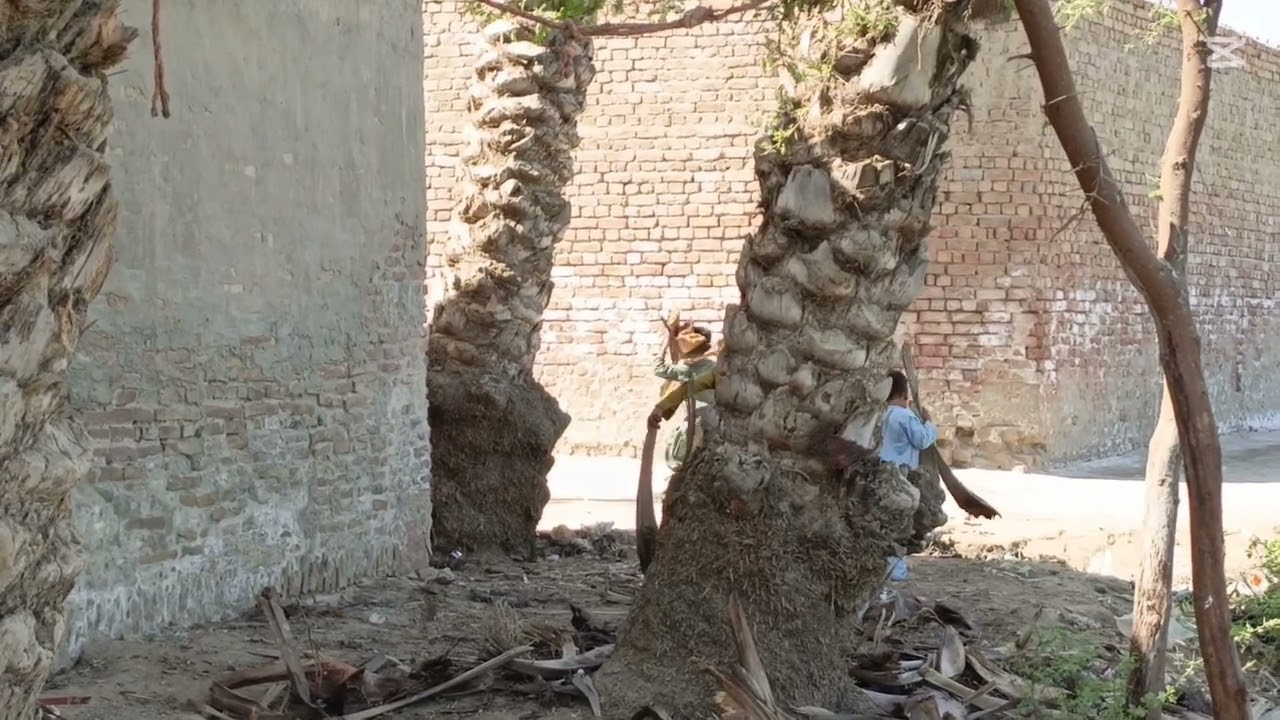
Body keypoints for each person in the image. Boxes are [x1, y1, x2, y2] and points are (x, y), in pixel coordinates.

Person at [879, 369, 939, 581]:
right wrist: (930, 424)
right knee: (899, 526)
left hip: (879, 474)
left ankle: (882, 567)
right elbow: (922, 440)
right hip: (901, 477)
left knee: (882, 524)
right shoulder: (904, 416)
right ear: (905, 395)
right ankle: (895, 570)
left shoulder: (881, 413)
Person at [647, 324, 719, 471]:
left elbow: (658, 368)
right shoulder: (714, 366)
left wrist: (665, 346)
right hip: (715, 419)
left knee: (686, 459)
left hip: (694, 420)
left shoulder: (685, 370)